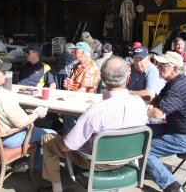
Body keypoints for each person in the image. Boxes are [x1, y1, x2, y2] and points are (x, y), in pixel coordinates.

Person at [39, 56, 148, 192]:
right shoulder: (140, 104)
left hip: (96, 162)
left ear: (102, 78)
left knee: (48, 139)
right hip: (128, 159)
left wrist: (68, 135)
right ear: (127, 78)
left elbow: (66, 146)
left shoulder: (95, 111)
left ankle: (56, 189)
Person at [0, 56, 57, 169]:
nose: (5, 74)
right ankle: (31, 165)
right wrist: (37, 114)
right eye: (3, 72)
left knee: (35, 132)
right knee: (51, 134)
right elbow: (21, 122)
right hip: (6, 138)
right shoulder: (2, 94)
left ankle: (29, 161)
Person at [146, 51, 186, 192]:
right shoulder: (177, 80)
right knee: (142, 132)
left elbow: (157, 114)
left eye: (162, 65)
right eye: (158, 64)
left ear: (175, 69)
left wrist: (139, 110)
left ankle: (172, 187)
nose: (158, 67)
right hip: (177, 129)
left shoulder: (176, 88)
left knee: (143, 150)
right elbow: (157, 99)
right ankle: (150, 166)